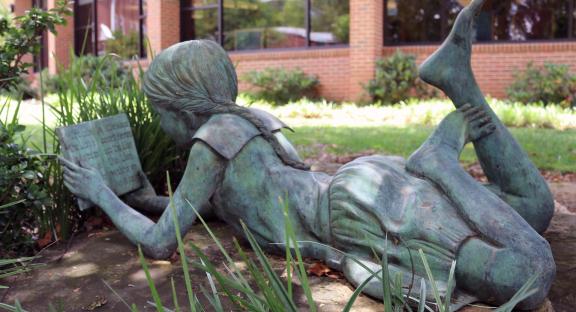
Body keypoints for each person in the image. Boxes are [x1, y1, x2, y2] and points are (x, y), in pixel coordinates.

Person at [59, 0, 555, 308]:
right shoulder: (246, 123)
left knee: (528, 276)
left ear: (182, 109)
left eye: (158, 111)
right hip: (361, 191)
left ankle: (440, 164)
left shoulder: (214, 140)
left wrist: (101, 192)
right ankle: (459, 83)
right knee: (532, 208)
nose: (158, 122)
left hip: (356, 215)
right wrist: (147, 199)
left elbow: (161, 244)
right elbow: (209, 210)